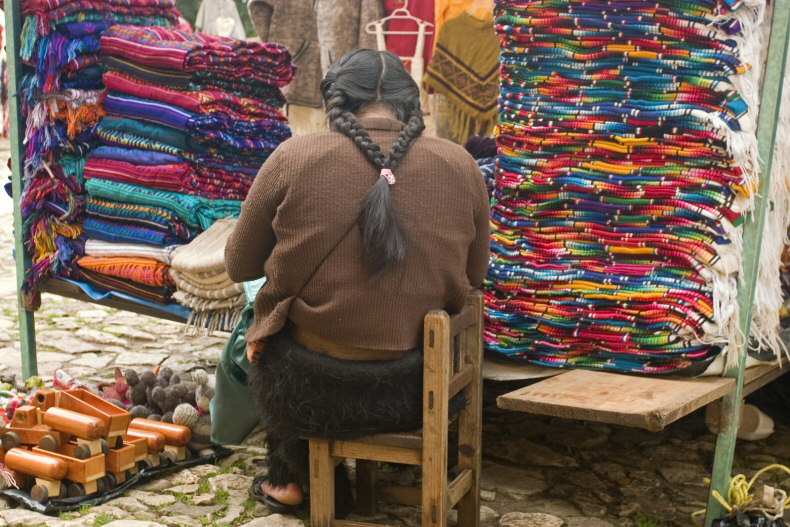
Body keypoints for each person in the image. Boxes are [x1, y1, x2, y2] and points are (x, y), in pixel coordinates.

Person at [224, 48, 490, 516]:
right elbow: (475, 277)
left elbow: (239, 265)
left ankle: (293, 482)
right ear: (413, 107)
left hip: (311, 391)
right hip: (420, 390)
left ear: (336, 104)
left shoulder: (292, 157)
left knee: (266, 324)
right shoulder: (461, 165)